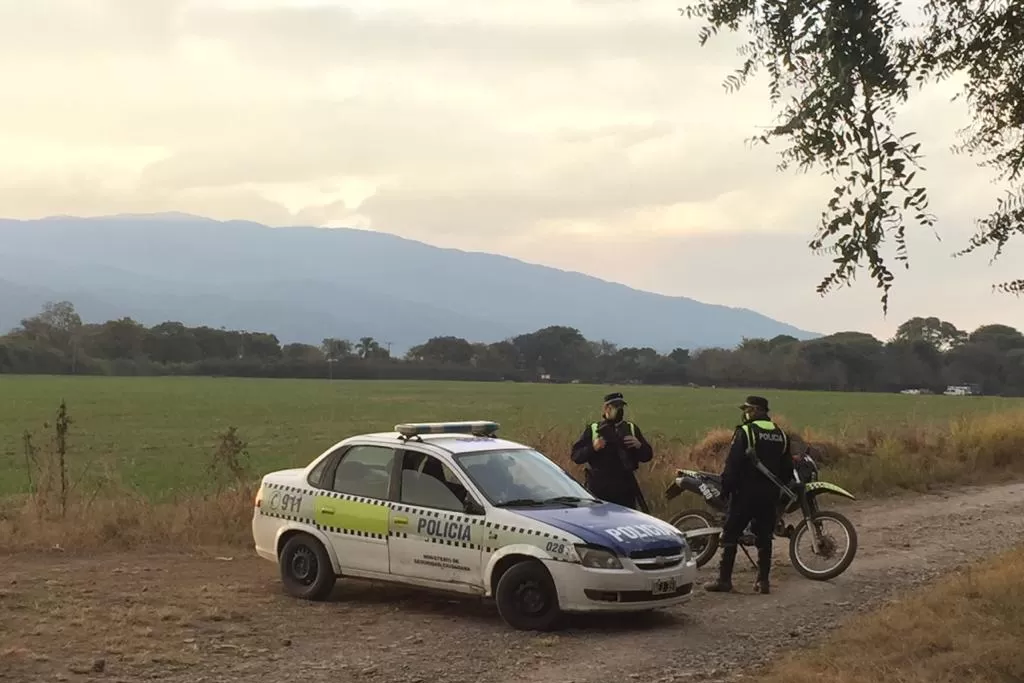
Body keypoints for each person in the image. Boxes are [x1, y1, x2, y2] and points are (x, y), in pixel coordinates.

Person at [704, 395, 794, 595]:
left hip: (745, 493)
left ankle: (724, 580)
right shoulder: (781, 434)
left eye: (747, 410)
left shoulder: (745, 431)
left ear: (754, 410)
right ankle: (763, 582)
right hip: (769, 494)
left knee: (730, 534)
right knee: (764, 537)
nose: (745, 413)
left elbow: (733, 464)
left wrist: (726, 489)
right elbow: (788, 469)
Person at [570, 392, 653, 511]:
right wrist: (593, 448)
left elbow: (647, 456)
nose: (619, 410)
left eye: (621, 406)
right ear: (605, 409)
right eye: (614, 406)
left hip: (625, 487)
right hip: (599, 488)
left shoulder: (631, 429)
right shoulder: (594, 429)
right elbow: (576, 456)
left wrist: (639, 445)